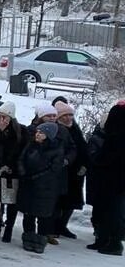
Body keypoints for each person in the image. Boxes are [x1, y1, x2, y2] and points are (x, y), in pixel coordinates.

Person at [86, 102, 125, 256]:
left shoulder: (117, 138)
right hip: (109, 181)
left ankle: (113, 243)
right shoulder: (114, 136)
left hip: (114, 182)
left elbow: (106, 158)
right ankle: (103, 239)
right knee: (105, 210)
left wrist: (97, 159)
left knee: (113, 212)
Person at [18, 121, 63, 254]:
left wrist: (36, 177)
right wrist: (23, 172)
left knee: (43, 216)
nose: (37, 135)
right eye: (37, 132)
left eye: (41, 133)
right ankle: (28, 239)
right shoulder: (31, 145)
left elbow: (54, 169)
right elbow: (21, 159)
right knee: (28, 214)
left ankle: (40, 241)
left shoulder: (56, 150)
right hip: (28, 185)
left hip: (45, 188)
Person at [0, 102, 25, 243]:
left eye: (5, 117)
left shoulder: (20, 132)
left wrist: (13, 167)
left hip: (12, 173)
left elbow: (23, 153)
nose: (2, 120)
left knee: (11, 203)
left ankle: (9, 228)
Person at [54, 101, 88, 240]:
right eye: (65, 115)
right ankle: (53, 227)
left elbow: (83, 148)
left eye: (70, 115)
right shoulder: (56, 129)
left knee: (72, 201)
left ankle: (63, 226)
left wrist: (84, 165)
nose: (68, 118)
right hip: (61, 171)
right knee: (58, 202)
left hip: (76, 172)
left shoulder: (75, 129)